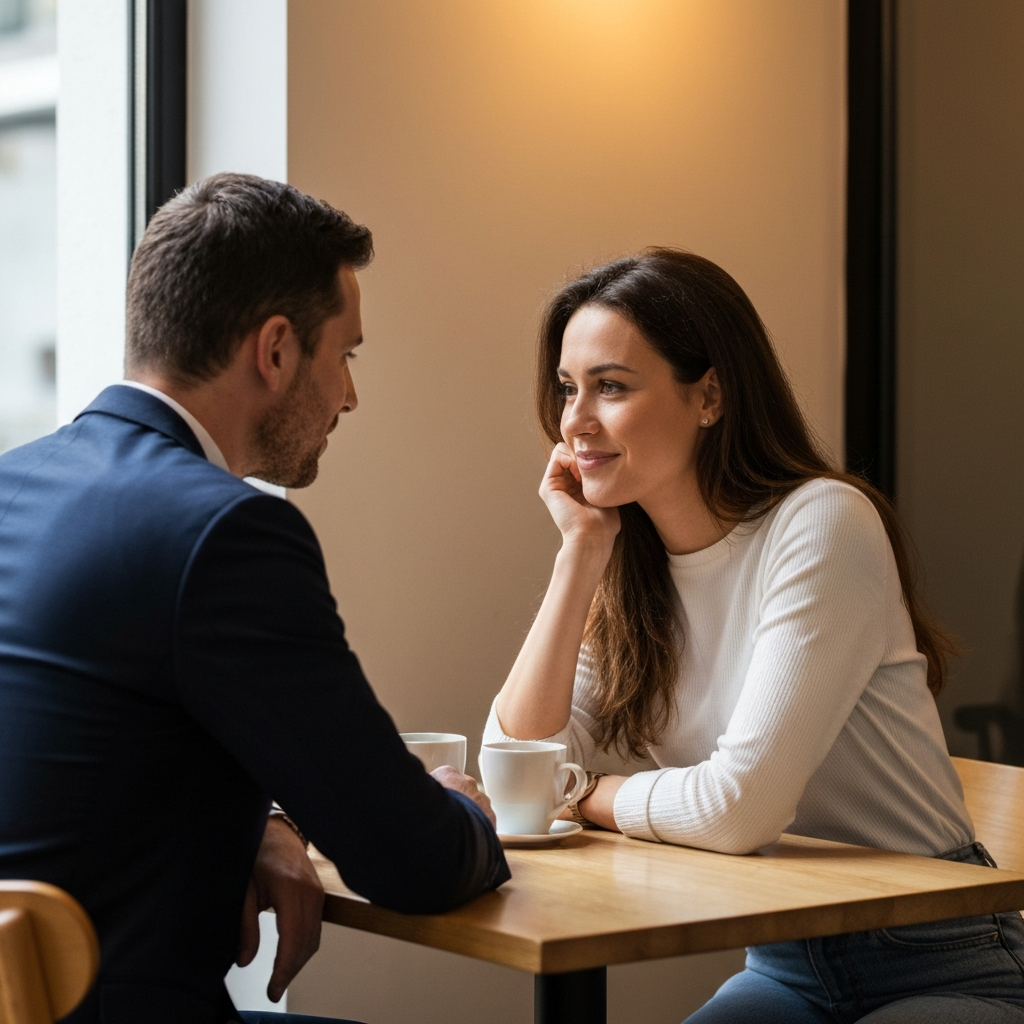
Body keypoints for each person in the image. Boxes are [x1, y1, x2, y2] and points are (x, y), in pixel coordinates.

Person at [0, 173, 509, 1024]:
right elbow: (408, 861)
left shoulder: (16, 485)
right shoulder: (225, 533)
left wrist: (264, 822)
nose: (350, 395)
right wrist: (465, 807)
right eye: (344, 356)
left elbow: (96, 757)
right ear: (275, 351)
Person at [485, 249, 1024, 1022]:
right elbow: (512, 776)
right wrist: (580, 556)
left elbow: (737, 809)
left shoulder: (823, 522)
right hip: (788, 964)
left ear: (709, 397)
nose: (574, 421)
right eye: (568, 389)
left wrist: (582, 792)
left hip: (941, 959)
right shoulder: (629, 567)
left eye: (611, 386)